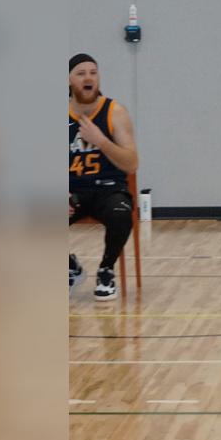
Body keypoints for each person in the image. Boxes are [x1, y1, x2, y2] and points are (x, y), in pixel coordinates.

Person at [68, 53, 139, 301]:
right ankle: (70, 267)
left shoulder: (115, 112)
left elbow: (132, 163)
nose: (88, 78)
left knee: (121, 215)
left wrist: (100, 140)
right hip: (72, 191)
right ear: (68, 81)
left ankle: (106, 270)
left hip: (108, 189)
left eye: (93, 72)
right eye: (81, 73)